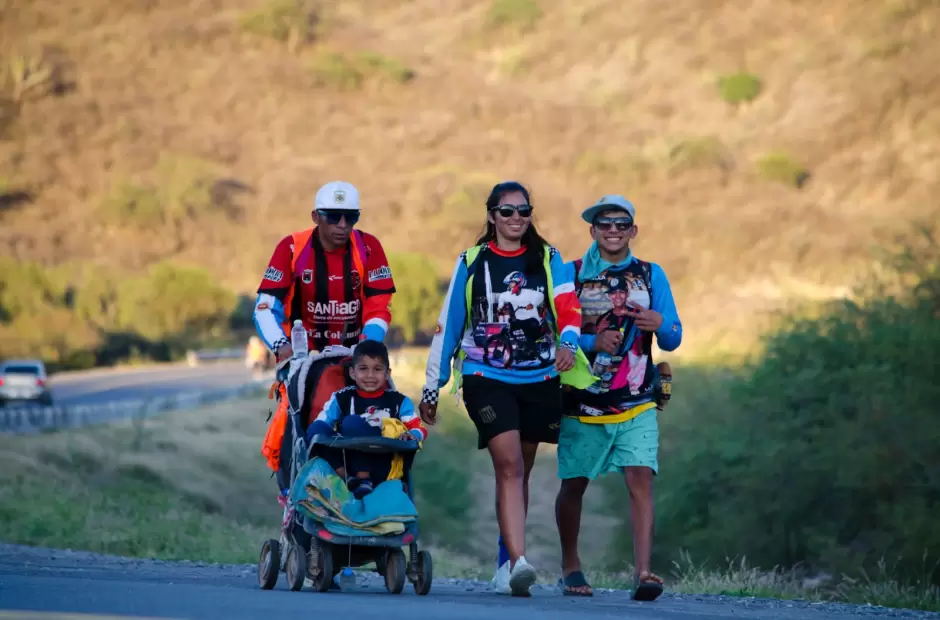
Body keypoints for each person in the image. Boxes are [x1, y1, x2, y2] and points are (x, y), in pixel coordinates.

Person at [418, 181, 595, 597]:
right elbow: (450, 326)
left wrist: (568, 344)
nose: (516, 218)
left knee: (522, 471)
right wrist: (432, 385)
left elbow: (568, 307)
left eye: (523, 210)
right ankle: (518, 562)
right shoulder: (473, 261)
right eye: (507, 211)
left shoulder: (548, 258)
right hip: (485, 374)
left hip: (539, 376)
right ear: (492, 216)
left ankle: (505, 563)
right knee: (510, 464)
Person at [553, 195, 682, 600]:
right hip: (583, 398)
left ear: (633, 231)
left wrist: (661, 324)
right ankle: (570, 565)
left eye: (621, 224)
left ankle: (644, 572)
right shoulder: (570, 273)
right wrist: (591, 341)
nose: (612, 231)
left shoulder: (650, 274)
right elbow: (552, 331)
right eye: (604, 224)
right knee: (574, 485)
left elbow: (673, 337)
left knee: (640, 479)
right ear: (591, 230)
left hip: (638, 398)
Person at [253, 181, 397, 474]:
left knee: (387, 409)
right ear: (315, 216)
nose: (343, 225)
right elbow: (265, 306)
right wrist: (282, 347)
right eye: (333, 216)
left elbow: (379, 307)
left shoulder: (369, 247)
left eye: (351, 217)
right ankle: (291, 491)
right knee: (290, 421)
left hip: (354, 354)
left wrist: (368, 348)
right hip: (303, 358)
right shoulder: (292, 247)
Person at [306, 340, 427, 498]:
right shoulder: (342, 398)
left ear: (387, 373)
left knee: (351, 422)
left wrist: (412, 435)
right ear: (352, 373)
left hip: (383, 462)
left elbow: (420, 428)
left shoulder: (398, 401)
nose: (370, 375)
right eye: (363, 369)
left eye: (377, 369)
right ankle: (346, 478)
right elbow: (320, 424)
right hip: (348, 461)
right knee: (315, 430)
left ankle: (364, 479)